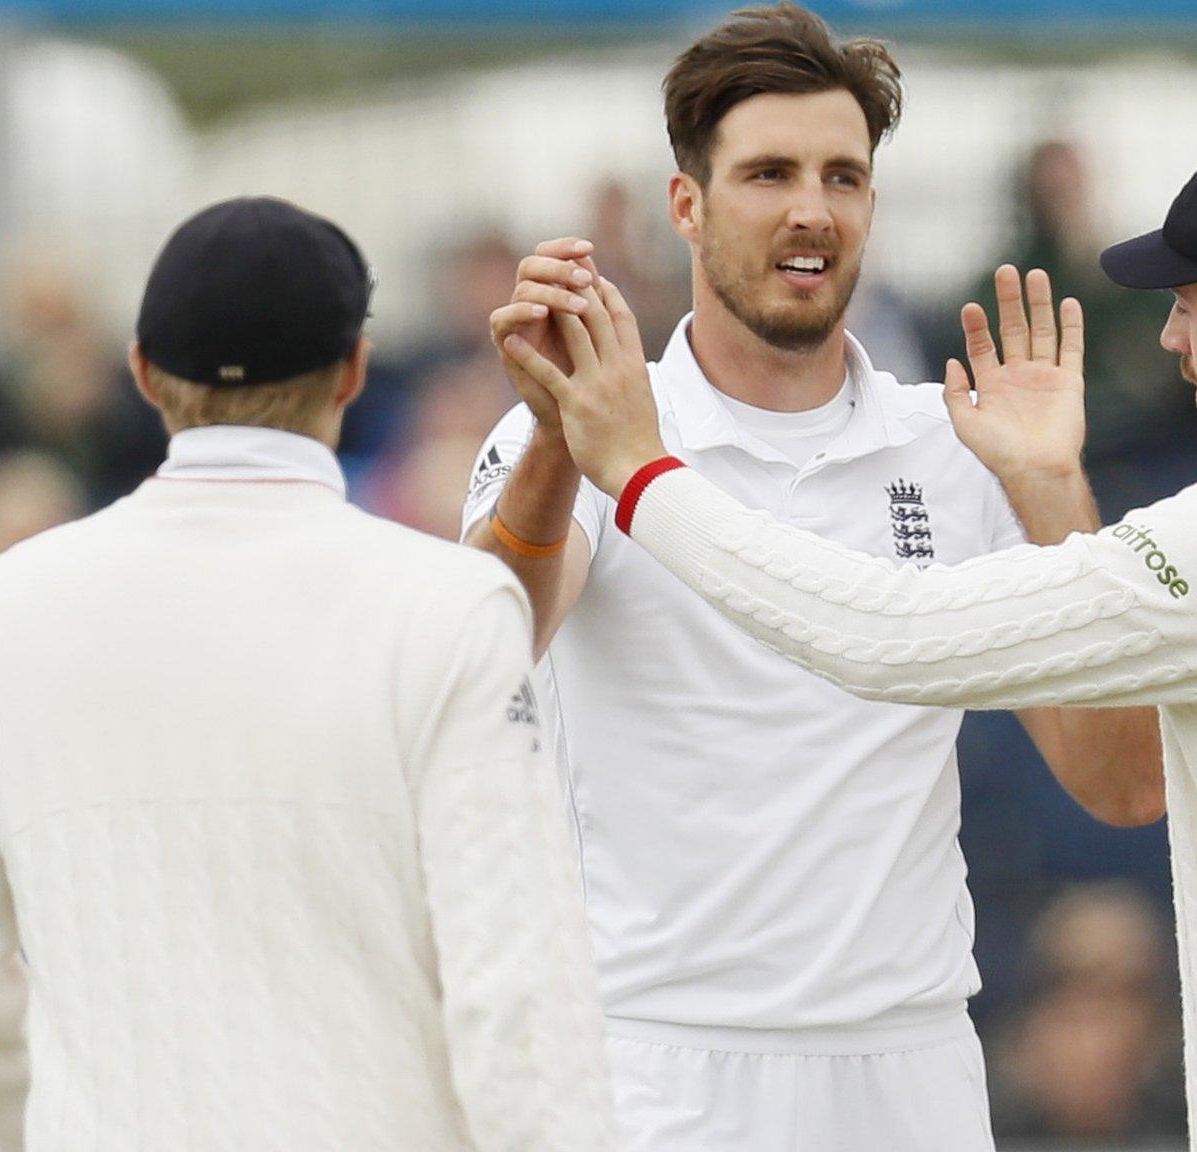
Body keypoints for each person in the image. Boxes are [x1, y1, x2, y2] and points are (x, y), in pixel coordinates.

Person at [506, 131, 1197, 1150]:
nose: (1175, 340)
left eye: (1189, 306)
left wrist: (641, 471)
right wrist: (1064, 480)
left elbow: (879, 638)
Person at [467, 5, 1159, 1149]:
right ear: (685, 205)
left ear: (872, 207)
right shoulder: (596, 425)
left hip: (910, 1064)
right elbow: (482, 646)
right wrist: (559, 433)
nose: (809, 209)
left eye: (843, 176)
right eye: (768, 173)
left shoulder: (956, 441)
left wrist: (1046, 487)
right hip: (655, 1064)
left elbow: (1119, 781)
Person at [0, 197, 612, 1152]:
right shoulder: (450, 607)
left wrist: (54, 1124)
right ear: (353, 370)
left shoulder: (9, 603)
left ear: (143, 372)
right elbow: (519, 996)